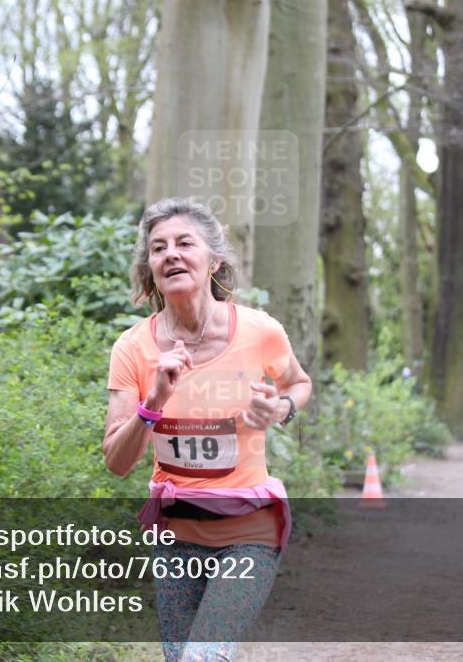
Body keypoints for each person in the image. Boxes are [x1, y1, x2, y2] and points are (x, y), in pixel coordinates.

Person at [103, 198, 312, 662]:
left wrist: (280, 409)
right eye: (158, 248)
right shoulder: (133, 349)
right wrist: (153, 402)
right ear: (150, 270)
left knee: (203, 656)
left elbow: (299, 383)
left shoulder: (260, 331)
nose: (170, 254)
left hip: (250, 531)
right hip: (174, 535)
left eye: (184, 243)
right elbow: (117, 462)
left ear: (213, 259)